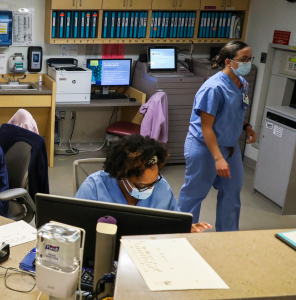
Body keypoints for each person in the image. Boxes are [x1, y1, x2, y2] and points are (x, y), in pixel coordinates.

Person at [178, 41, 257, 232]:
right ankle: (182, 234)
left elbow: (236, 111)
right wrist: (218, 158)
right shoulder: (213, 88)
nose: (247, 63)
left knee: (232, 191)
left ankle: (228, 236)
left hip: (230, 147)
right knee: (194, 194)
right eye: (243, 59)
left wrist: (247, 126)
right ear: (229, 61)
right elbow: (206, 127)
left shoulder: (242, 84)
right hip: (204, 147)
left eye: (249, 59)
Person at [75, 135, 211, 233]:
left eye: (153, 182)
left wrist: (183, 229)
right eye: (141, 185)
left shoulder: (162, 188)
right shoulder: (94, 187)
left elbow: (173, 222)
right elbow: (76, 231)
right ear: (120, 175)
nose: (150, 189)